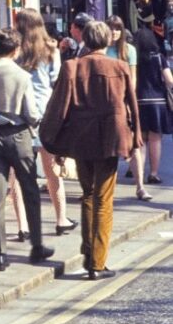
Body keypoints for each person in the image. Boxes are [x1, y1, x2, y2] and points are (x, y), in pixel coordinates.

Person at [40, 21, 142, 280]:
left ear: (84, 39)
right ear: (107, 41)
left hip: (81, 138)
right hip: (110, 137)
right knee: (103, 200)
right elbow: (132, 104)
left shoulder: (72, 66)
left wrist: (53, 142)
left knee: (88, 194)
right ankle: (97, 262)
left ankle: (89, 251)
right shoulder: (119, 67)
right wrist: (135, 138)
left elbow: (58, 108)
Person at [0, 28, 55, 271]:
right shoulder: (22, 76)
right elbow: (32, 113)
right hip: (18, 136)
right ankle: (37, 246)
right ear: (17, 50)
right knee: (30, 191)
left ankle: (0, 254)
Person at [8, 9, 78, 238]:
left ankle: (23, 226)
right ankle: (61, 219)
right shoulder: (50, 50)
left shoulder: (14, 51)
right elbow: (57, 82)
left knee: (17, 174)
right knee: (52, 171)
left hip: (19, 116)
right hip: (46, 115)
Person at [105, 15, 151, 200]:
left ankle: (140, 186)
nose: (114, 32)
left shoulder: (129, 50)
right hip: (105, 103)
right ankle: (105, 187)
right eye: (111, 28)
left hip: (124, 102)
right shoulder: (101, 49)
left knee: (134, 145)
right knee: (107, 146)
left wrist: (128, 102)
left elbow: (133, 79)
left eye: (117, 29)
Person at [132, 25, 173, 187]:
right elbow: (169, 80)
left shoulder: (135, 59)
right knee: (156, 139)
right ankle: (153, 173)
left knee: (140, 140)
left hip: (139, 102)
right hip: (158, 103)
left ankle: (139, 175)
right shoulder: (159, 58)